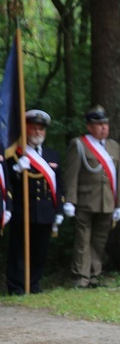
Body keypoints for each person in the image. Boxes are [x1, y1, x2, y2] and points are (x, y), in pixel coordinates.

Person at [64, 105, 120, 288]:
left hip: (107, 201)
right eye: (99, 124)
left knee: (99, 241)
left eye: (105, 123)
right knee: (83, 240)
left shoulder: (114, 146)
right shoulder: (79, 144)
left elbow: (118, 176)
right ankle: (80, 276)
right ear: (89, 127)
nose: (103, 127)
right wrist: (69, 200)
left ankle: (93, 274)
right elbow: (72, 175)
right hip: (85, 200)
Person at [5, 110, 65, 295]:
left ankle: (34, 284)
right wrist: (16, 169)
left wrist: (60, 209)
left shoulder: (52, 155)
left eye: (41, 129)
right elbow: (6, 183)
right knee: (19, 251)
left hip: (46, 211)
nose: (38, 132)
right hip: (24, 211)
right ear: (26, 130)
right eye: (33, 128)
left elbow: (59, 184)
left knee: (40, 251)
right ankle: (17, 287)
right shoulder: (14, 154)